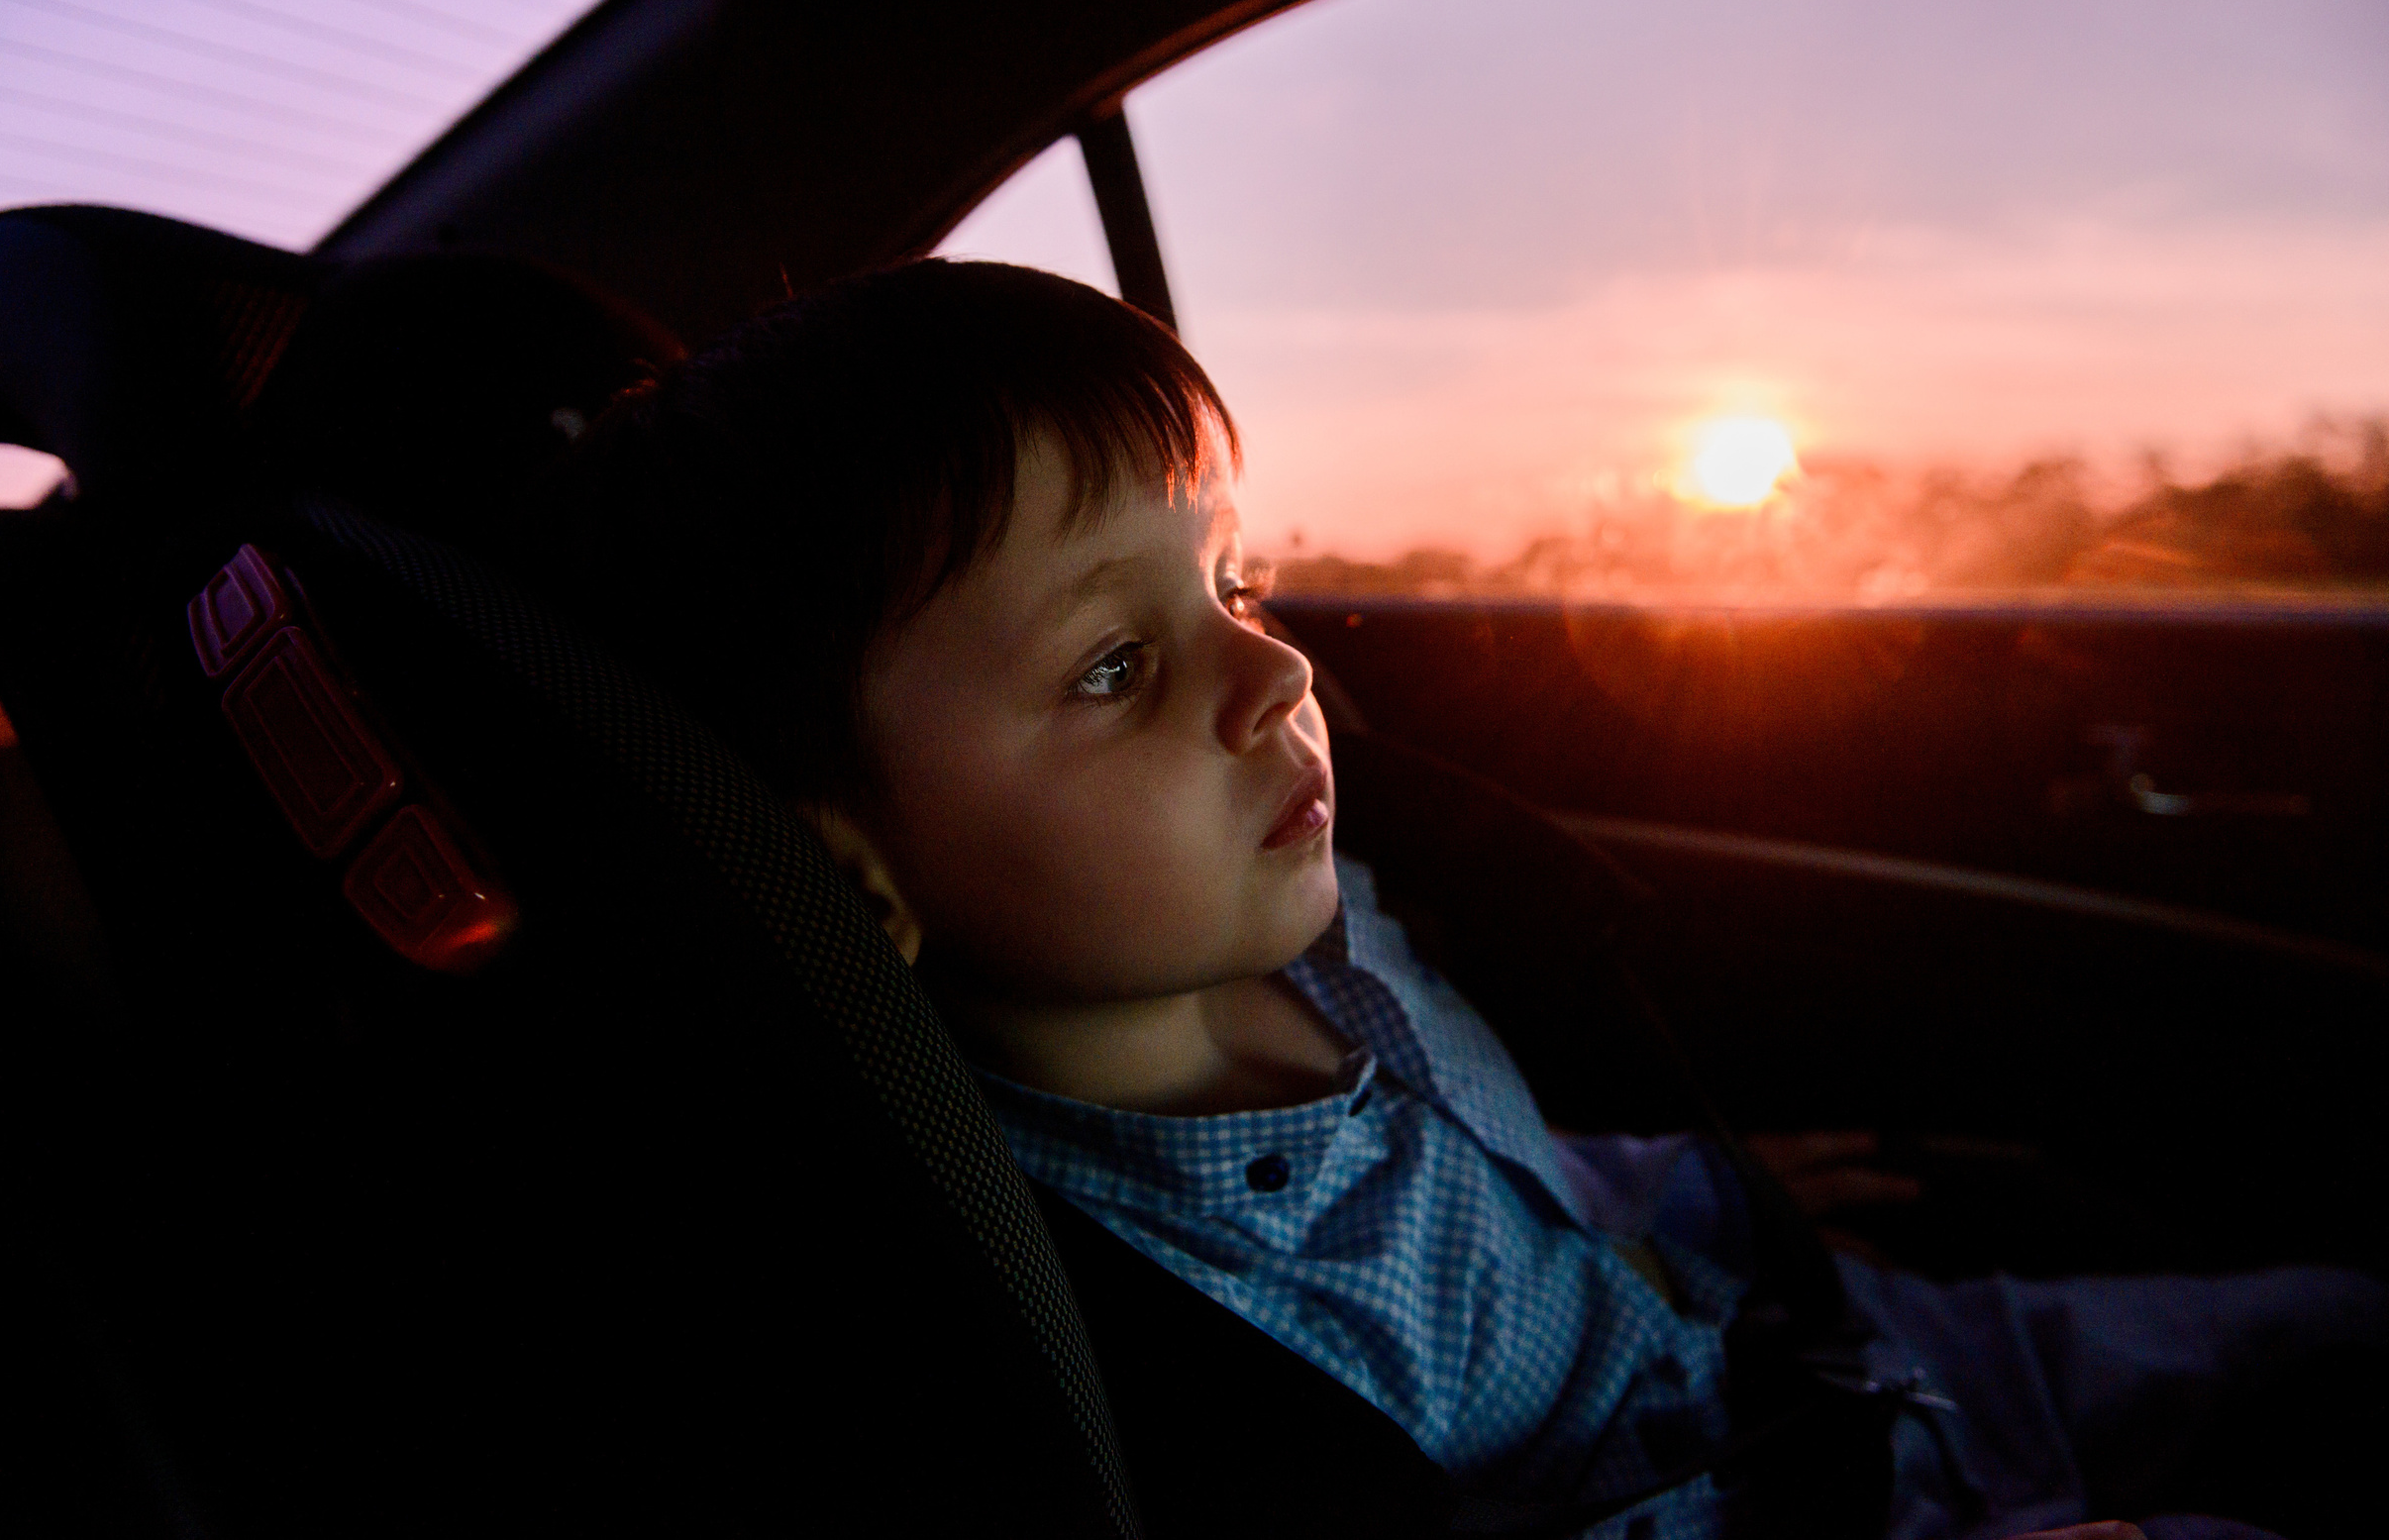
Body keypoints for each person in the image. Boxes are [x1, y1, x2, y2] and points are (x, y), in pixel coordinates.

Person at [541, 258, 2381, 1540]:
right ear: (849, 870)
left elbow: (1520, 1175)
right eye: (1113, 665)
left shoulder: (1325, 928)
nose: (1271, 677)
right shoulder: (1111, 1295)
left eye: (1233, 583)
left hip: (1814, 1342)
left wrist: (1679, 1194)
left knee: (2330, 1318)